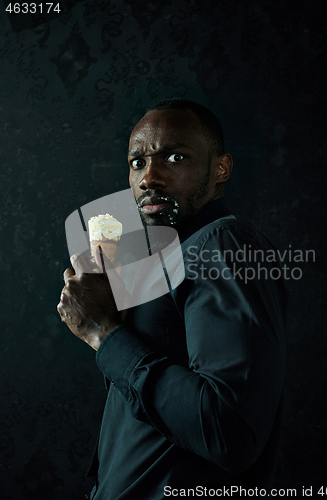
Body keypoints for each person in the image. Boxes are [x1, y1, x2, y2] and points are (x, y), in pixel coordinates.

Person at [57, 98, 287, 499]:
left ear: (220, 169)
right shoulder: (169, 260)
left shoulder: (222, 243)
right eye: (137, 163)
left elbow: (228, 432)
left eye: (175, 157)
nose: (149, 178)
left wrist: (103, 333)